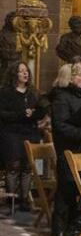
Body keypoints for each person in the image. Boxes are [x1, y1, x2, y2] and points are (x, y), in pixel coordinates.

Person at [49, 62, 81, 236]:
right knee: (66, 190)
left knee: (78, 190)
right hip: (68, 150)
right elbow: (61, 127)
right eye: (79, 75)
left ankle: (73, 225)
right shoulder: (61, 98)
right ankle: (59, 230)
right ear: (68, 77)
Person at [0, 61, 45, 211]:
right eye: (21, 71)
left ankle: (24, 199)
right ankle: (12, 199)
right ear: (14, 74)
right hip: (12, 132)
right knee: (13, 166)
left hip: (30, 132)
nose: (25, 73)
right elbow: (3, 114)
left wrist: (34, 113)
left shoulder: (33, 92)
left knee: (27, 167)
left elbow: (42, 110)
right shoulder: (5, 92)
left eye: (26, 71)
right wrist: (21, 114)